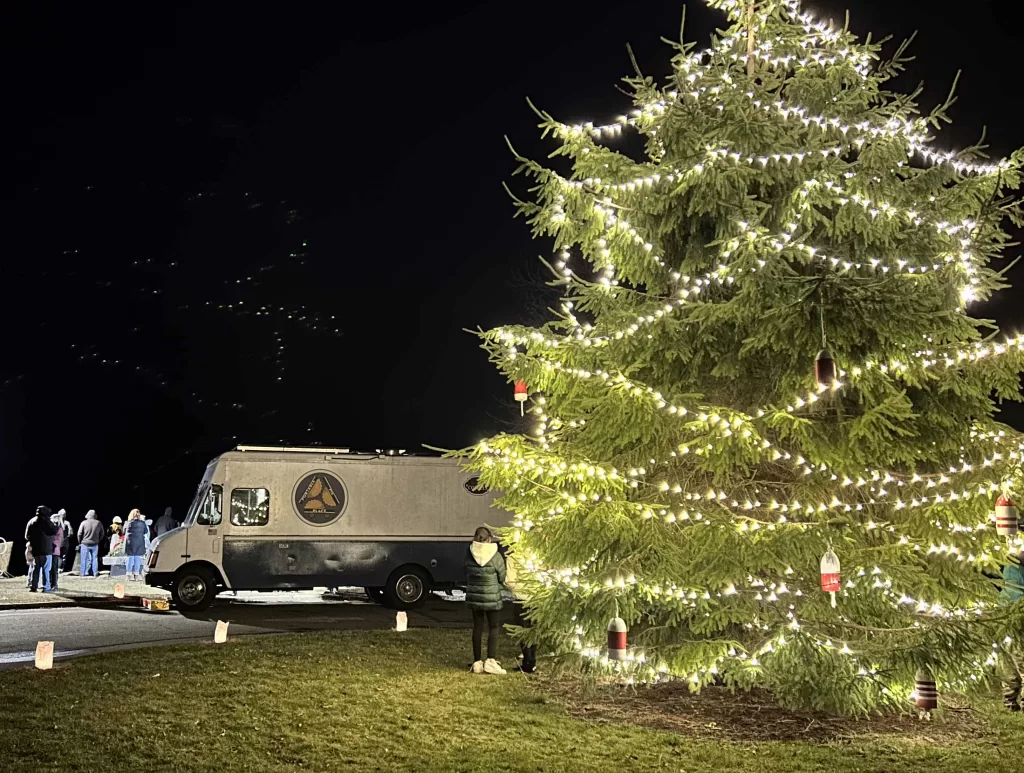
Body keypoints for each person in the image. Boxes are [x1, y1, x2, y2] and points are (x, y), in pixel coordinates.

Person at [465, 526, 507, 675]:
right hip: (492, 597)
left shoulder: (469, 553)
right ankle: (490, 660)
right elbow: (502, 577)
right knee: (494, 627)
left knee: (477, 627)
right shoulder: (495, 555)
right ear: (489, 538)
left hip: (474, 597)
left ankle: (477, 662)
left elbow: (466, 572)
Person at [504, 550, 537, 674]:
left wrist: (519, 590)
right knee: (534, 630)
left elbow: (509, 581)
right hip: (538, 597)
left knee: (524, 630)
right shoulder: (541, 556)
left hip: (521, 599)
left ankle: (527, 662)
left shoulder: (514, 557)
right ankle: (532, 661)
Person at [999, 549, 1024, 712]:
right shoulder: (1014, 568)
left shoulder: (1010, 566)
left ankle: (1009, 699)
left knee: (1009, 662)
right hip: (1016, 616)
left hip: (1004, 615)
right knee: (1018, 659)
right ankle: (1012, 699)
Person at [25, 505, 57, 592]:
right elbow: (53, 531)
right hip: (46, 550)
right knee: (46, 570)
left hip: (35, 550)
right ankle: (46, 587)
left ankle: (33, 586)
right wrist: (55, 524)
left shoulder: (31, 521)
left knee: (36, 568)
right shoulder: (46, 522)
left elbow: (26, 536)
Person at [77, 510, 104, 578]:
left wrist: (80, 542)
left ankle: (82, 573)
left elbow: (79, 533)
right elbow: (102, 533)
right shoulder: (99, 523)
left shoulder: (83, 523)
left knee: (84, 559)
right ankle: (95, 573)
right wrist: (98, 540)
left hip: (85, 543)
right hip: (95, 543)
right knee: (94, 559)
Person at [124, 509, 149, 581]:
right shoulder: (142, 523)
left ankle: (128, 574)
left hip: (130, 543)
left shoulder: (127, 523)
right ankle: (136, 575)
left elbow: (123, 531)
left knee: (130, 558)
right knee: (137, 558)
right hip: (139, 542)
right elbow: (145, 531)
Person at [49, 510, 65, 590]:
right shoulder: (61, 529)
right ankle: (54, 584)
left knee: (50, 568)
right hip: (57, 550)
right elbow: (61, 541)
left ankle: (52, 584)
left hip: (51, 550)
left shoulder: (53, 529)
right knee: (54, 568)